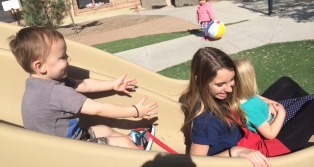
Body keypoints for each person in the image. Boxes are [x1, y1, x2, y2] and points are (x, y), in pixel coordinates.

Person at [9, 26, 158, 150]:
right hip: (68, 150)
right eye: (62, 57)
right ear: (40, 66)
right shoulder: (57, 92)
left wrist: (113, 85)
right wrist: (136, 111)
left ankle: (132, 141)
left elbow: (83, 84)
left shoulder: (36, 83)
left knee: (105, 129)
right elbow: (99, 109)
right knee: (123, 144)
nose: (69, 59)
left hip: (63, 141)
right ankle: (138, 156)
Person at [181, 47, 314, 167]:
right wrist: (233, 152)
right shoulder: (206, 121)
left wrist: (268, 102)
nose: (229, 89)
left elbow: (244, 98)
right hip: (259, 148)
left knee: (286, 84)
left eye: (231, 80)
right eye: (220, 84)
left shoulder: (216, 94)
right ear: (199, 80)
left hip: (251, 128)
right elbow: (196, 163)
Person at [234, 59, 286, 139]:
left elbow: (255, 96)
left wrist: (270, 103)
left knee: (286, 82)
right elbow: (270, 134)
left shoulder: (240, 96)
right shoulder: (250, 110)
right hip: (275, 123)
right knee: (310, 102)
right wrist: (282, 112)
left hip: (270, 110)